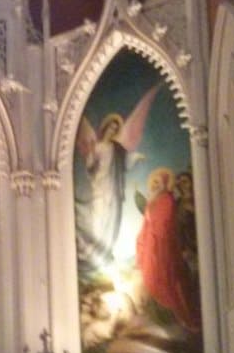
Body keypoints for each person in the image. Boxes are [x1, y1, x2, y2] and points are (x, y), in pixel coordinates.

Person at [75, 82, 160, 272]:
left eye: (115, 128)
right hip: (99, 186)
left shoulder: (117, 149)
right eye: (110, 127)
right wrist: (89, 156)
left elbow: (124, 163)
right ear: (104, 128)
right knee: (98, 215)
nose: (113, 130)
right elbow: (90, 167)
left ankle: (105, 251)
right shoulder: (96, 147)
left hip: (112, 188)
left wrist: (136, 157)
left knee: (111, 217)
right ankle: (95, 250)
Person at [134, 167, 200, 331]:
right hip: (151, 248)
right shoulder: (152, 202)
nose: (155, 185)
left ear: (165, 184)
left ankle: (184, 319)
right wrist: (141, 243)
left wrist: (155, 238)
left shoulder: (167, 200)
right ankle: (162, 319)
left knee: (170, 283)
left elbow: (165, 226)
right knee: (152, 281)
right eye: (153, 182)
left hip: (164, 249)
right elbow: (146, 227)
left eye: (158, 182)